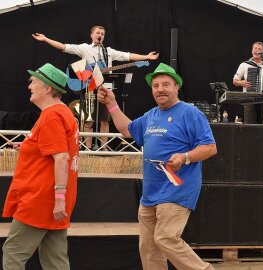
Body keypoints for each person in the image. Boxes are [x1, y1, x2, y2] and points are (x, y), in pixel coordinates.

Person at [97, 63, 217, 270]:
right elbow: (127, 130)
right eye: (155, 85)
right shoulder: (151, 115)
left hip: (177, 189)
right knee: (149, 248)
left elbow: (210, 147)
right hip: (150, 193)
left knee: (165, 238)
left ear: (176, 87)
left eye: (165, 85)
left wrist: (184, 157)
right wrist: (111, 104)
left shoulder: (190, 113)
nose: (160, 89)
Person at [2, 63, 79, 270]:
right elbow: (56, 150)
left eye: (33, 82)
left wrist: (59, 198)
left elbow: (62, 158)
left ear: (47, 88)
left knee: (13, 254)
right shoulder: (63, 113)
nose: (29, 86)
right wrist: (29, 145)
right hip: (52, 200)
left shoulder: (51, 116)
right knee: (55, 261)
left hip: (40, 199)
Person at [32, 25, 159, 149]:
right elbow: (65, 47)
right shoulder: (85, 48)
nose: (100, 35)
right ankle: (88, 149)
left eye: (102, 34)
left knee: (105, 119)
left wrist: (146, 57)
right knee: (89, 120)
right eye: (97, 33)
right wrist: (46, 39)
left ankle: (103, 148)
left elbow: (128, 55)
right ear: (92, 35)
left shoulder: (108, 51)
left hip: (104, 89)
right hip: (89, 88)